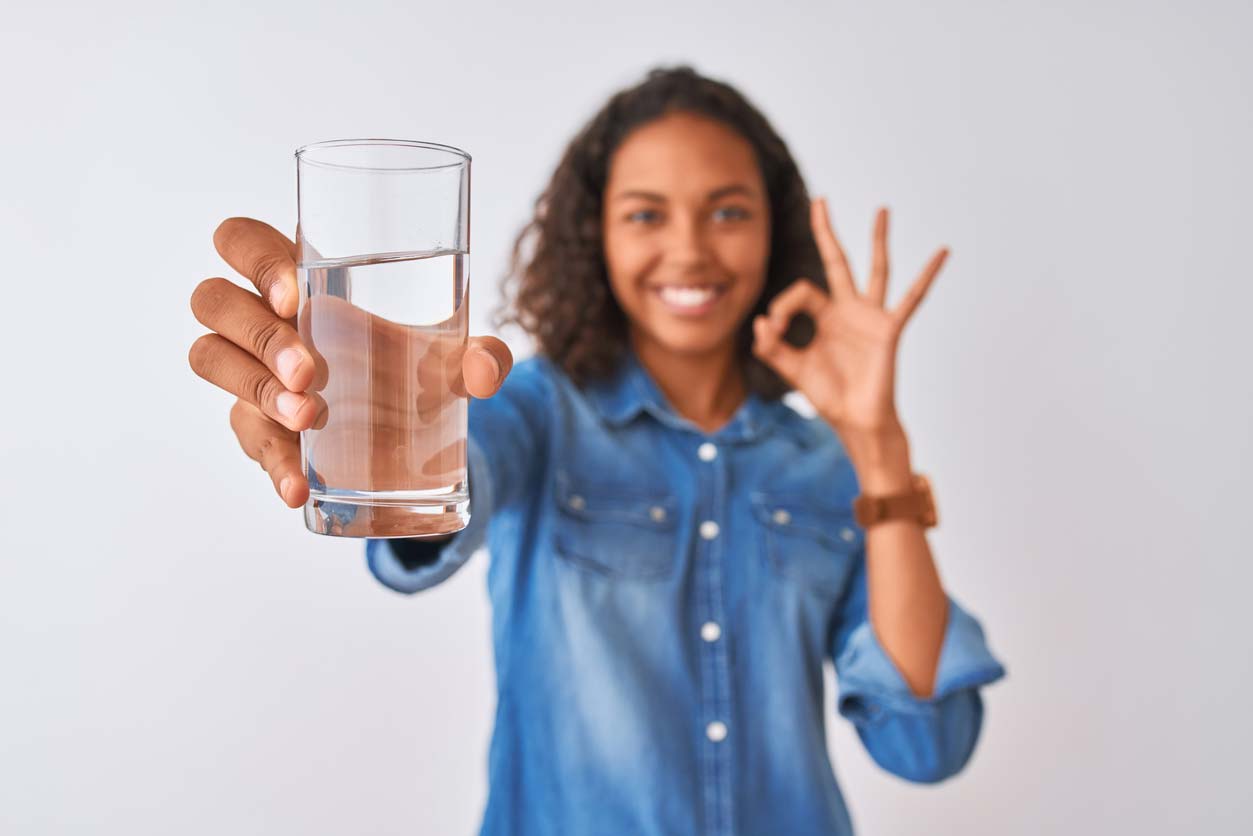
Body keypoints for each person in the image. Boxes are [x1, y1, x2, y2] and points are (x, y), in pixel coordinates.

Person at [188, 65, 1007, 836]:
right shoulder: (538, 412)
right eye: (646, 214)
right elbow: (432, 511)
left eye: (727, 210)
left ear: (774, 231)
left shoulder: (829, 466)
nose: (688, 250)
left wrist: (877, 443)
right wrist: (372, 418)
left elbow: (925, 742)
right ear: (596, 235)